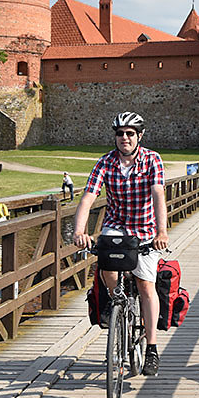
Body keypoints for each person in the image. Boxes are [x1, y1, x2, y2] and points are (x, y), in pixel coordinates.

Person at [73, 111, 169, 376]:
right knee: (106, 268)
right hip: (115, 226)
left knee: (146, 284)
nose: (124, 138)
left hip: (145, 230)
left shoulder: (152, 160)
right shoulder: (105, 163)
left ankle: (151, 348)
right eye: (120, 133)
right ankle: (119, 302)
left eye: (130, 133)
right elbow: (88, 198)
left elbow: (158, 193)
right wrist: (79, 231)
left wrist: (162, 231)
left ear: (139, 136)